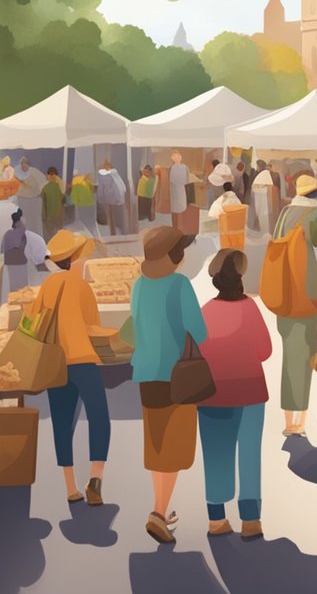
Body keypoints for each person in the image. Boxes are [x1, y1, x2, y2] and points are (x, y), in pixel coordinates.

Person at [131, 226, 207, 544]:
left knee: (157, 444)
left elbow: (135, 325)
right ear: (175, 256)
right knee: (173, 449)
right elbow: (199, 332)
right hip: (176, 375)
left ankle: (160, 507)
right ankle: (159, 513)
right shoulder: (179, 284)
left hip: (145, 372)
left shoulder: (138, 286)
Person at [30, 229, 115, 507]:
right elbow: (91, 328)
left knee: (62, 423)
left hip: (55, 363)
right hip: (83, 361)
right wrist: (118, 334)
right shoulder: (81, 287)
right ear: (75, 259)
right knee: (99, 417)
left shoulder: (47, 286)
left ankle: (70, 487)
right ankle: (96, 477)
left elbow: (33, 322)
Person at [197, 249, 270, 538]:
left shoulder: (206, 310)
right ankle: (250, 520)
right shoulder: (250, 308)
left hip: (212, 393)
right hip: (251, 390)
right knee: (249, 453)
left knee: (216, 453)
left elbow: (197, 350)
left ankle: (217, 519)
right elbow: (265, 350)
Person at [272, 174, 317, 437]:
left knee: (289, 356)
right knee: (305, 357)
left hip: (282, 291)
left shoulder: (284, 213)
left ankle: (287, 420)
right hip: (307, 293)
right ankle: (300, 422)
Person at [95, 160, 128, 236]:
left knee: (112, 216)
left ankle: (114, 232)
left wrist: (119, 198)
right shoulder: (111, 174)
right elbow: (120, 186)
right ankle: (113, 232)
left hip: (112, 198)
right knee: (110, 216)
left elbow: (118, 186)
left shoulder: (112, 174)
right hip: (110, 198)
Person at [3, 210, 28, 300]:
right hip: (20, 260)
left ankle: (13, 301)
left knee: (13, 282)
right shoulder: (22, 229)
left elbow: (2, 249)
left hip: (9, 260)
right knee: (22, 284)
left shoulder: (7, 233)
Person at [15, 157, 44, 228]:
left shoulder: (34, 172)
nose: (23, 165)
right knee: (23, 218)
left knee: (33, 219)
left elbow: (42, 182)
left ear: (28, 164)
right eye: (21, 163)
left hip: (33, 199)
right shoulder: (16, 172)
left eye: (25, 163)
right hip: (21, 199)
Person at [168, 151, 190, 232]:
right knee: (175, 210)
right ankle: (175, 228)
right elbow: (171, 179)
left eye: (178, 155)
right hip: (174, 190)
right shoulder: (172, 168)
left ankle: (180, 228)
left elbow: (187, 178)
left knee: (181, 209)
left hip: (181, 190)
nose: (176, 157)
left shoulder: (184, 167)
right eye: (174, 156)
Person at [41, 167, 64, 240]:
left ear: (48, 176)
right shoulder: (60, 187)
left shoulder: (45, 188)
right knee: (58, 235)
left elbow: (43, 204)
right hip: (59, 216)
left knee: (49, 236)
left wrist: (43, 217)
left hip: (49, 216)